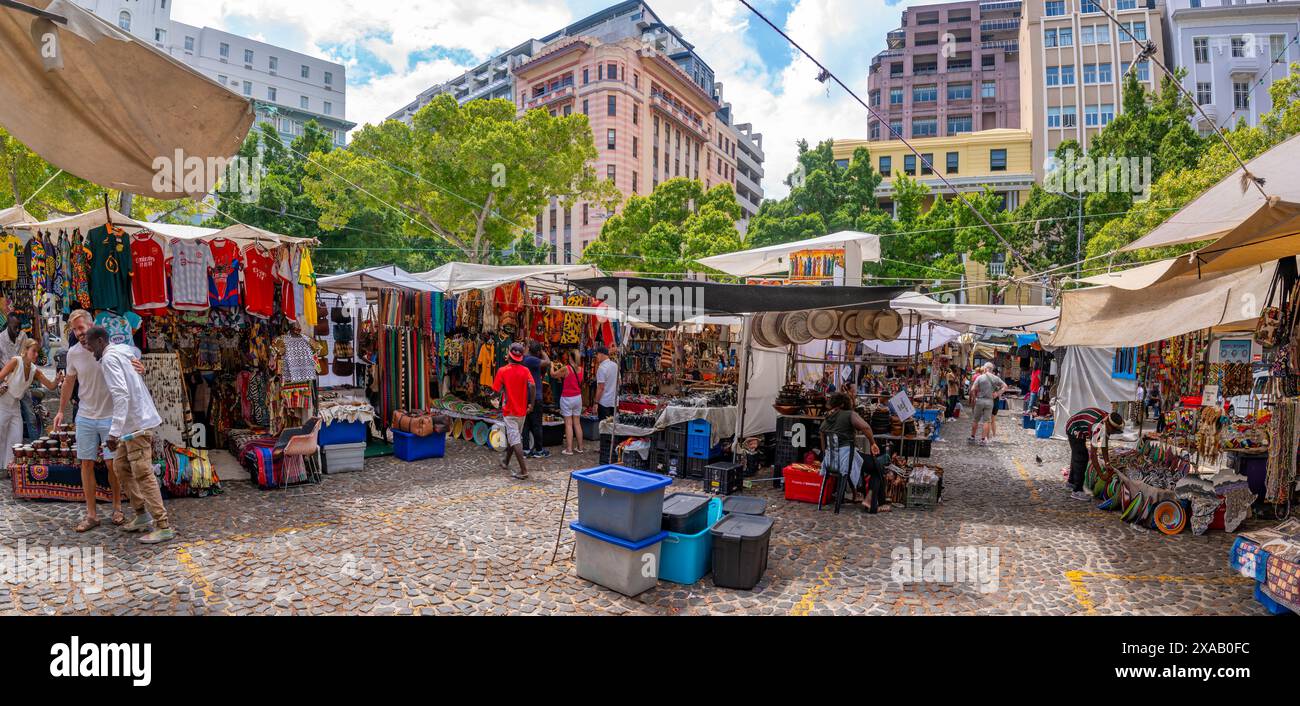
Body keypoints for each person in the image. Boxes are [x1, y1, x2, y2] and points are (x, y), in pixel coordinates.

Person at [84, 326, 174, 543]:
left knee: (142, 473)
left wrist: (113, 434)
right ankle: (141, 515)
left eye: (89, 344)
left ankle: (163, 525)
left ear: (99, 341)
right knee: (121, 467)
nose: (88, 349)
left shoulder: (108, 359)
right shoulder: (120, 350)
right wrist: (137, 364)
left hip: (136, 425)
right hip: (130, 425)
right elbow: (135, 351)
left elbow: (121, 395)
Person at [53, 310, 127, 532]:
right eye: (75, 330)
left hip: (109, 415)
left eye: (81, 328)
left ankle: (117, 507)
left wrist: (137, 366)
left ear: (91, 325)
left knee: (111, 463)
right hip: (85, 415)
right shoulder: (73, 354)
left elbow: (128, 368)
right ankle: (92, 514)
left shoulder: (108, 350)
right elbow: (69, 382)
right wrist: (60, 411)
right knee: (85, 463)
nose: (79, 333)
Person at [819, 393, 887, 513]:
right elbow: (866, 427)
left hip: (831, 462)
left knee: (874, 465)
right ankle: (872, 503)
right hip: (847, 458)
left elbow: (824, 447)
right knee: (878, 466)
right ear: (843, 403)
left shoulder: (826, 420)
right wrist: (872, 443)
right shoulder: (849, 414)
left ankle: (873, 499)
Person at [0, 339, 61, 468]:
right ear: (25, 351)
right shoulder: (16, 361)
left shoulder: (34, 370)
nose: (36, 354)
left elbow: (50, 385)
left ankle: (8, 467)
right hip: (3, 403)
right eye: (33, 351)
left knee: (16, 438)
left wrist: (57, 380)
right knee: (1, 436)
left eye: (37, 352)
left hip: (15, 406)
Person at [492, 342, 536, 480]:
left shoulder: (503, 371)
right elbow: (533, 386)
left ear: (509, 354)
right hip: (522, 411)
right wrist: (531, 404)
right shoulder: (525, 370)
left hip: (510, 410)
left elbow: (495, 390)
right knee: (514, 436)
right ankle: (505, 461)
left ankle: (523, 470)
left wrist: (493, 398)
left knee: (515, 439)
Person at [1064, 408, 1124, 501]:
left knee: (1077, 453)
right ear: (1108, 425)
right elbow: (1093, 455)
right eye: (1113, 431)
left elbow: (1104, 444)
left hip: (1079, 427)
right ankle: (1077, 490)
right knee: (1081, 456)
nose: (1113, 433)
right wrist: (1101, 475)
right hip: (1073, 427)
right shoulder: (1098, 428)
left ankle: (1071, 482)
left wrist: (1107, 462)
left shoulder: (1108, 421)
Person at [521, 341, 550, 459]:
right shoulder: (532, 360)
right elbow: (548, 362)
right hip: (535, 397)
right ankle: (539, 450)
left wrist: (530, 347)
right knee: (537, 424)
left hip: (524, 396)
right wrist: (543, 352)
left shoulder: (523, 358)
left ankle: (526, 449)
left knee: (526, 424)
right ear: (537, 352)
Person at [554, 349, 585, 456]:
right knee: (577, 422)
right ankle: (580, 447)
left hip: (567, 398)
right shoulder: (581, 369)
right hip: (578, 397)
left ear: (570, 357)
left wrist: (552, 366)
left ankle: (569, 449)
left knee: (568, 424)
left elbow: (554, 375)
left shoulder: (566, 368)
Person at [968, 362, 1006, 446]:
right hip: (990, 401)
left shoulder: (980, 377)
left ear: (985, 369)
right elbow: (1005, 386)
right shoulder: (996, 378)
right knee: (986, 421)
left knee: (976, 420)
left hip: (980, 400)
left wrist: (975, 397)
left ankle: (972, 437)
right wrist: (997, 393)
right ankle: (983, 439)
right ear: (992, 370)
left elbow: (972, 389)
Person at [593, 346, 618, 421]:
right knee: (612, 428)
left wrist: (596, 403)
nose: (596, 357)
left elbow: (600, 387)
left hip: (604, 403)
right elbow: (619, 382)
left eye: (597, 354)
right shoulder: (615, 365)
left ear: (601, 354)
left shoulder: (602, 368)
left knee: (604, 428)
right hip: (614, 402)